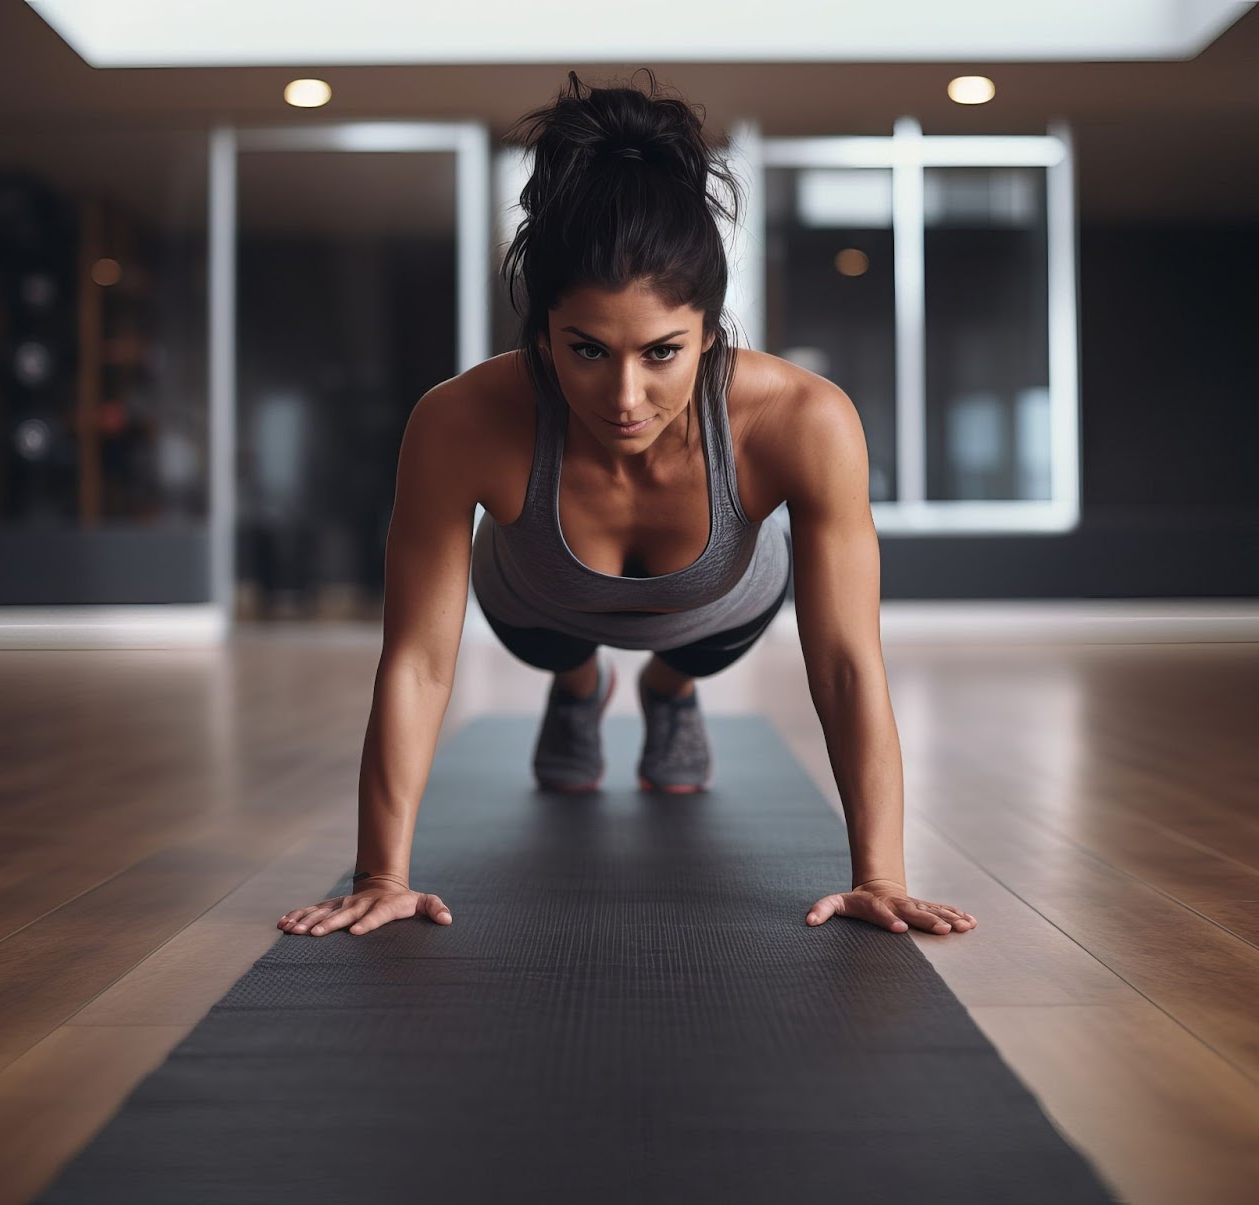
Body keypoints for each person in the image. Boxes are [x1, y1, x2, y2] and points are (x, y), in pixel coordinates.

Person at [278, 70, 976, 942]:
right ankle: (578, 687)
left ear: (712, 332)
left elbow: (844, 664)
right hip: (538, 605)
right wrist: (382, 872)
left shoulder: (806, 419)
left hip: (716, 610)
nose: (624, 395)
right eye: (586, 350)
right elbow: (418, 661)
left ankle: (667, 691)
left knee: (692, 646)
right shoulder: (458, 421)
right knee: (560, 644)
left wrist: (880, 874)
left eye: (662, 352)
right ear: (542, 334)